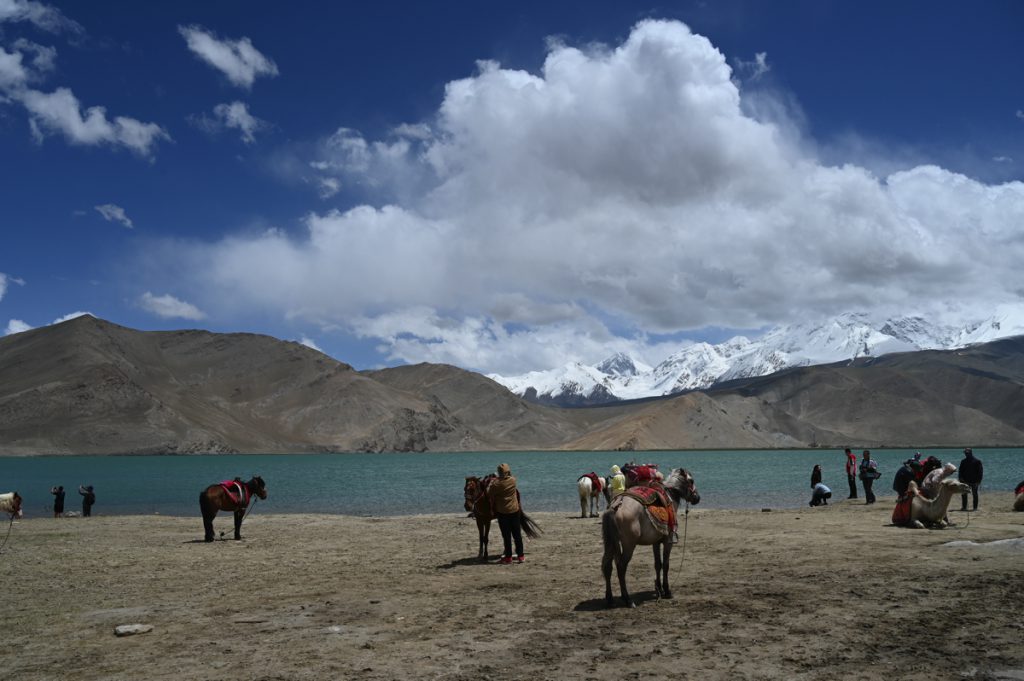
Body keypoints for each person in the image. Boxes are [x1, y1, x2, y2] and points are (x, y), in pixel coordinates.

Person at [486, 463, 524, 564]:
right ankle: (521, 556)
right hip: (515, 511)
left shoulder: (496, 484)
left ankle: (508, 558)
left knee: (506, 536)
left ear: (499, 473)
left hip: (503, 513)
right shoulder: (513, 480)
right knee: (517, 535)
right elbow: (510, 477)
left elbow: (489, 493)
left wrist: (492, 482)